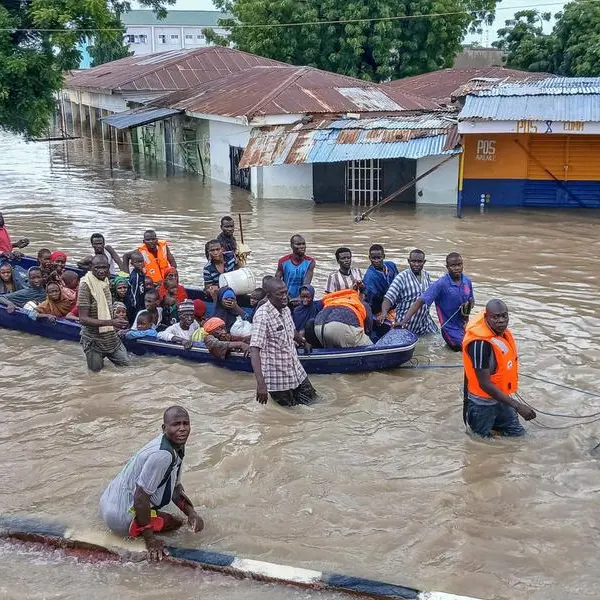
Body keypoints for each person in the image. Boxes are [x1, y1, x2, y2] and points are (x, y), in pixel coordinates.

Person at [99, 406, 203, 562]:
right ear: (164, 428)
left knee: (181, 519)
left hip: (107, 503)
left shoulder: (174, 446)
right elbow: (140, 497)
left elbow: (174, 489)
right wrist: (151, 541)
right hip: (120, 517)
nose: (182, 429)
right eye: (176, 424)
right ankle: (136, 530)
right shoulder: (163, 455)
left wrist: (191, 513)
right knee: (177, 524)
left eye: (185, 423)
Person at [463, 299, 536, 437]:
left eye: (504, 316)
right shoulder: (480, 344)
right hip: (482, 405)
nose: (501, 320)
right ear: (486, 318)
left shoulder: (501, 334)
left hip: (502, 399)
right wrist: (518, 406)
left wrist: (512, 404)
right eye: (495, 317)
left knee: (519, 437)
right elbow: (484, 384)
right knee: (480, 443)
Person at [250, 278, 316, 407]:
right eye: (280, 294)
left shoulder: (285, 309)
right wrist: (261, 384)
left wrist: (303, 341)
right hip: (278, 379)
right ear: (269, 296)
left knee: (315, 403)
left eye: (285, 292)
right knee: (289, 416)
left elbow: (291, 330)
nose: (285, 297)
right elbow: (254, 350)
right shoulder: (262, 316)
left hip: (296, 371)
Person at [397, 252, 474, 351]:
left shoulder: (467, 281)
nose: (457, 268)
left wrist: (469, 306)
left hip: (465, 325)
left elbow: (472, 301)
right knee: (467, 349)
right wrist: (404, 321)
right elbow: (420, 301)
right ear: (447, 267)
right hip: (449, 329)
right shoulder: (441, 284)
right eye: (453, 266)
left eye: (459, 264)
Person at [77, 255, 130, 372]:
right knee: (96, 374)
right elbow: (83, 319)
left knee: (127, 367)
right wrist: (111, 322)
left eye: (104, 267)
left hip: (111, 337)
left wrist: (116, 320)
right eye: (97, 268)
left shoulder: (105, 281)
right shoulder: (86, 286)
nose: (101, 270)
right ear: (91, 267)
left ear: (109, 268)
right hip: (93, 340)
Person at [380, 249, 437, 336]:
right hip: (405, 323)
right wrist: (384, 313)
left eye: (419, 262)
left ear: (424, 262)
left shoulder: (426, 275)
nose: (416, 264)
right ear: (409, 261)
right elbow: (388, 298)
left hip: (424, 322)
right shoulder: (401, 277)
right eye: (413, 261)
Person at [275, 234, 315, 300]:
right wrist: (284, 296)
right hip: (285, 297)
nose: (302, 246)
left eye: (303, 244)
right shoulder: (283, 261)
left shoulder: (310, 262)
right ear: (291, 246)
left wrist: (300, 297)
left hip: (303, 297)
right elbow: (277, 282)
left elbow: (307, 283)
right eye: (298, 244)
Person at [363, 244, 398, 315]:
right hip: (379, 306)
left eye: (379, 258)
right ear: (370, 258)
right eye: (373, 258)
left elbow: (399, 283)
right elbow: (369, 300)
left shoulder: (391, 265)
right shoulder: (370, 277)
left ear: (383, 256)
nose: (376, 261)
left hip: (394, 301)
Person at [126, 252, 146, 324]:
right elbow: (133, 293)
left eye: (141, 262)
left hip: (141, 300)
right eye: (137, 262)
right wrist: (136, 306)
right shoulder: (135, 276)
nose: (140, 264)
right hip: (135, 304)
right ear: (132, 264)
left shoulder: (141, 273)